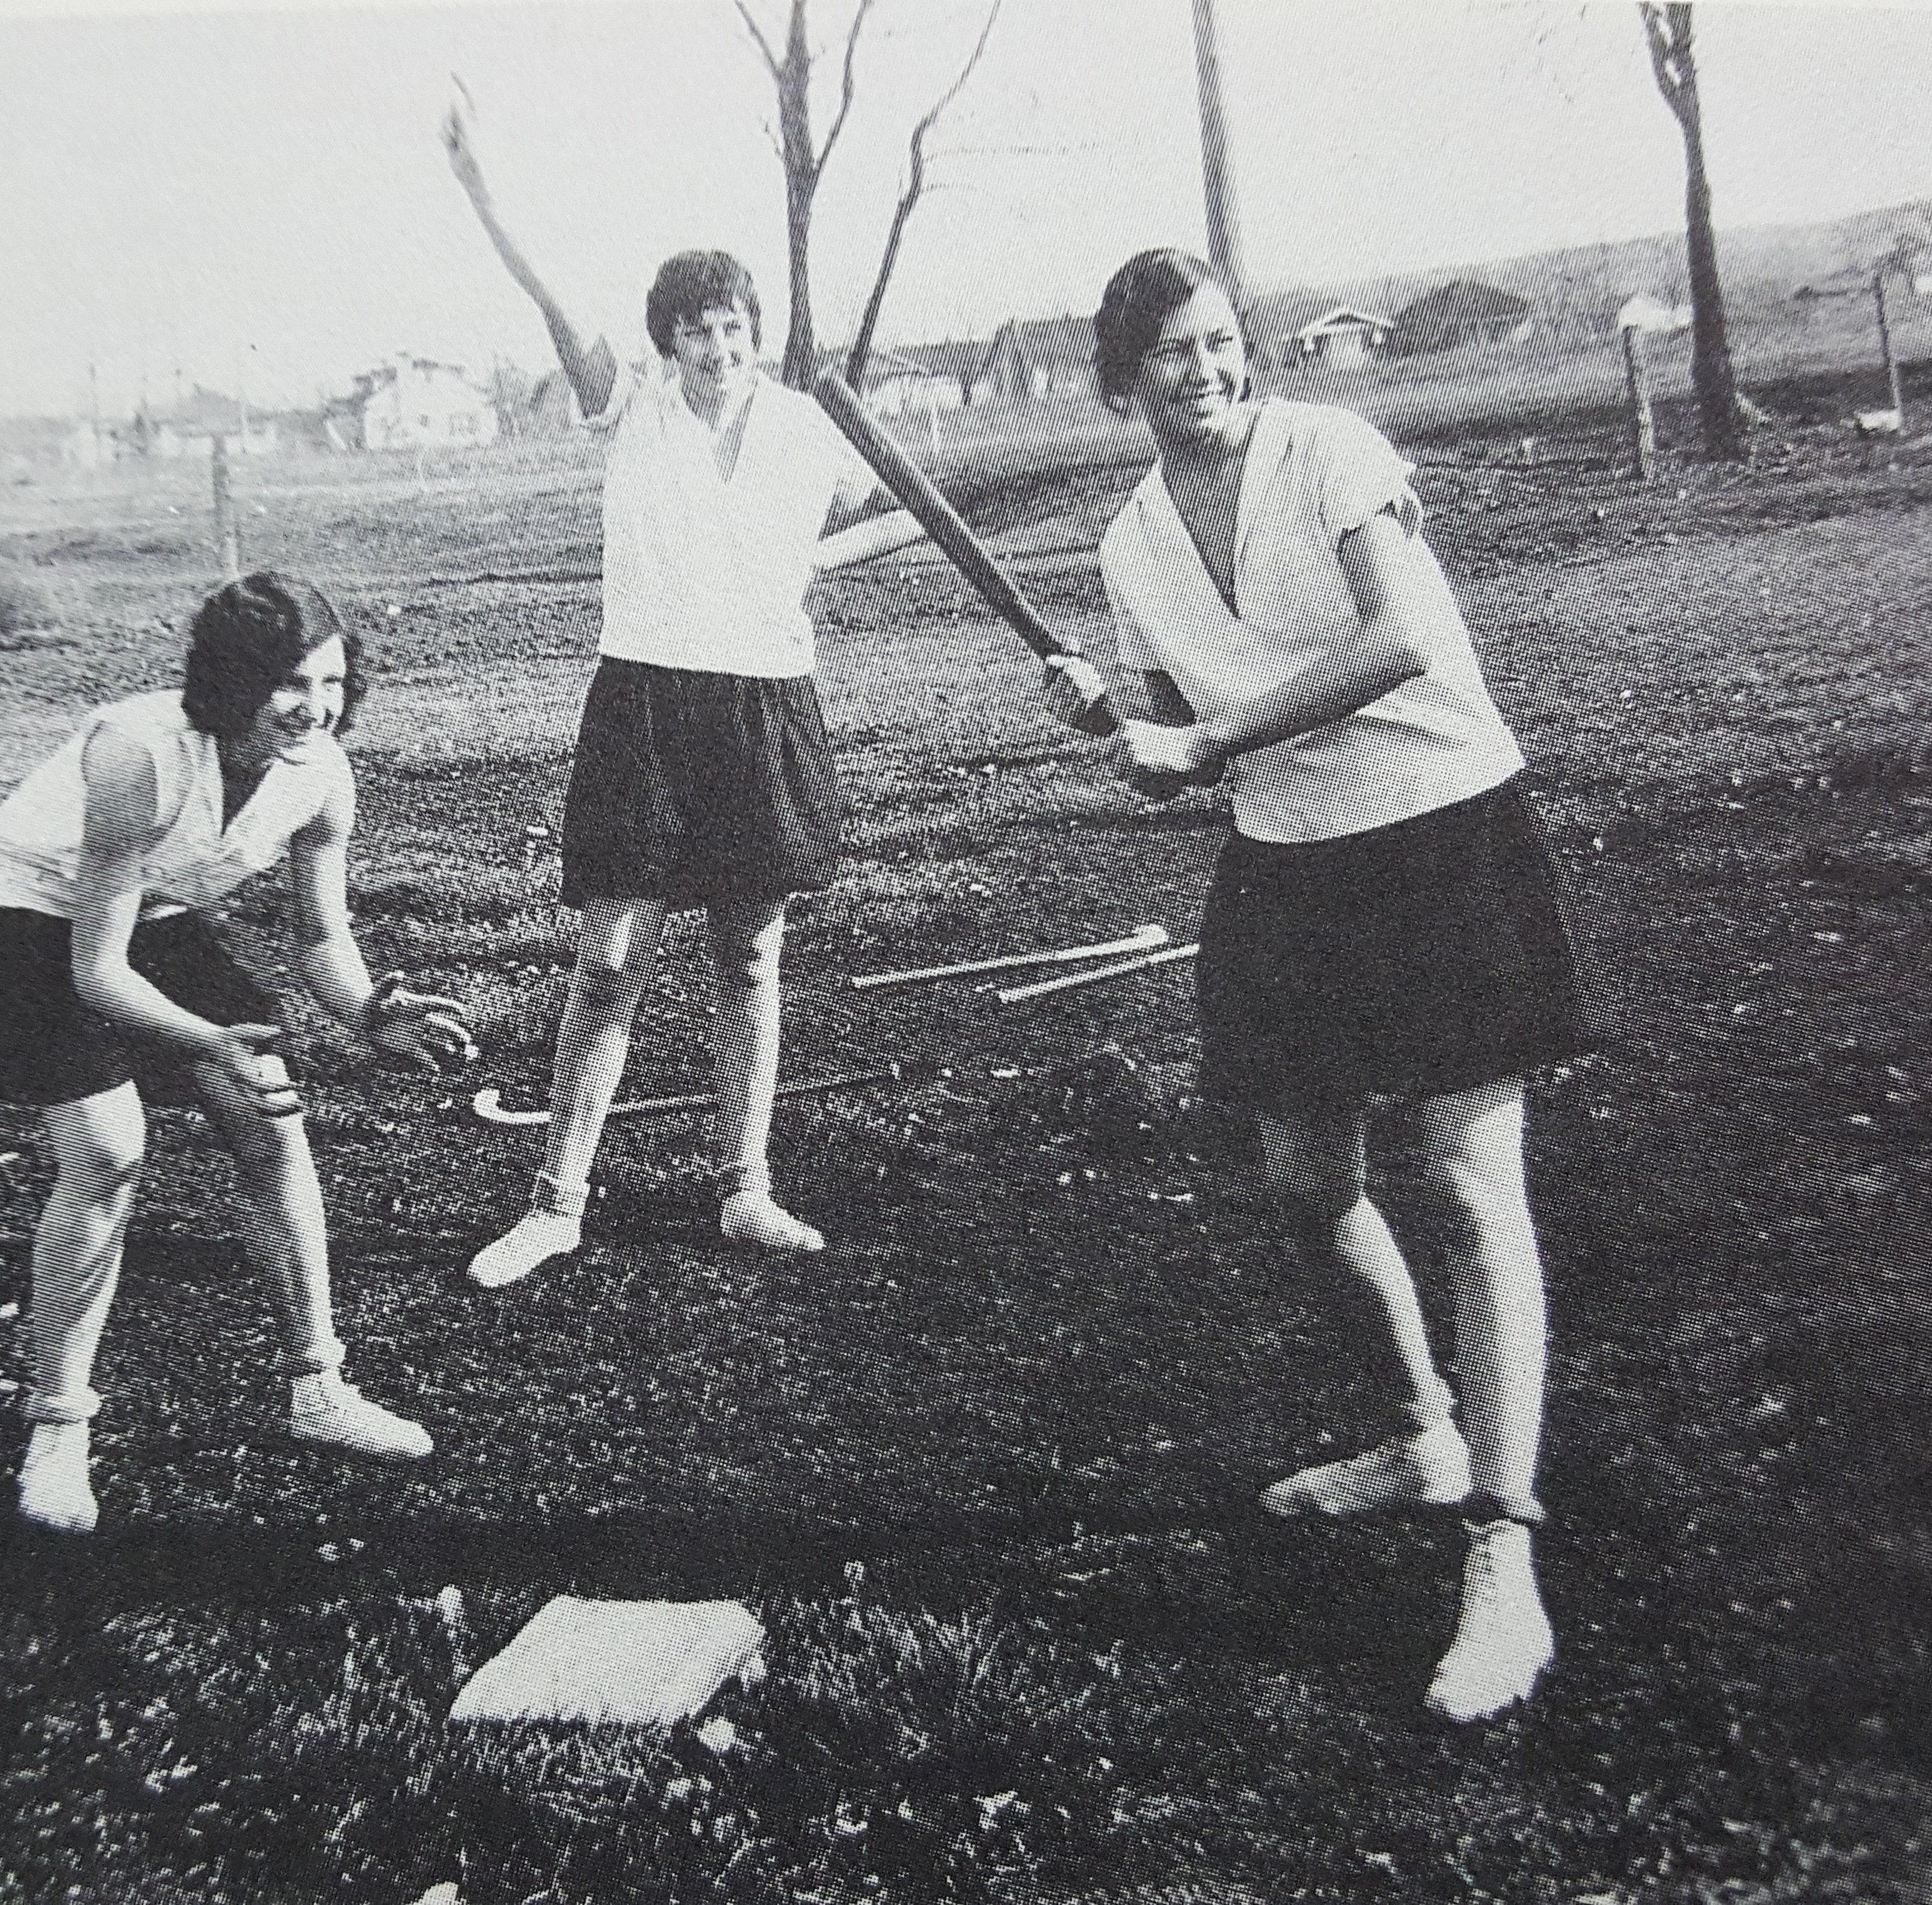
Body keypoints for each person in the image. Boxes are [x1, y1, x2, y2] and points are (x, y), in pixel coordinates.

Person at [1043, 250, 1604, 1722]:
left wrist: (1208, 741)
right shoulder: (1130, 546)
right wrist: (1120, 721)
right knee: (1304, 1183)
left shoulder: (1332, 451)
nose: (1206, 371)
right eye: (1170, 353)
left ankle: (1504, 1554)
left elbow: (1404, 638)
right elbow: (1175, 745)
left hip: (1445, 836)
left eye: (1222, 342)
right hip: (1291, 863)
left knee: (1473, 1189)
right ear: (1122, 381)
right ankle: (1422, 1434)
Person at [441, 91, 925, 1289]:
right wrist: (480, 190)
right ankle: (556, 1201)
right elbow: (551, 301)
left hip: (765, 704)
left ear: (755, 331)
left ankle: (745, 1189)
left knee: (749, 957)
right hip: (647, 706)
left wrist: (811, 559)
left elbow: (910, 515)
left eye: (734, 327)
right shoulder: (633, 407)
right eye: (697, 331)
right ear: (667, 342)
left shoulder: (810, 428)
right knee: (610, 959)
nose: (718, 349)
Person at [0, 572, 476, 1534]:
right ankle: (58, 1430)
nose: (315, 708)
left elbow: (320, 940)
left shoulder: (322, 778)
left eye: (332, 682)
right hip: (22, 922)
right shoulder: (137, 755)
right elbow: (98, 974)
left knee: (272, 1124)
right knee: (109, 1153)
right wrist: (207, 1042)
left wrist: (367, 1016)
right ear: (230, 682)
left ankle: (318, 1387)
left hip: (153, 917)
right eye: (288, 684)